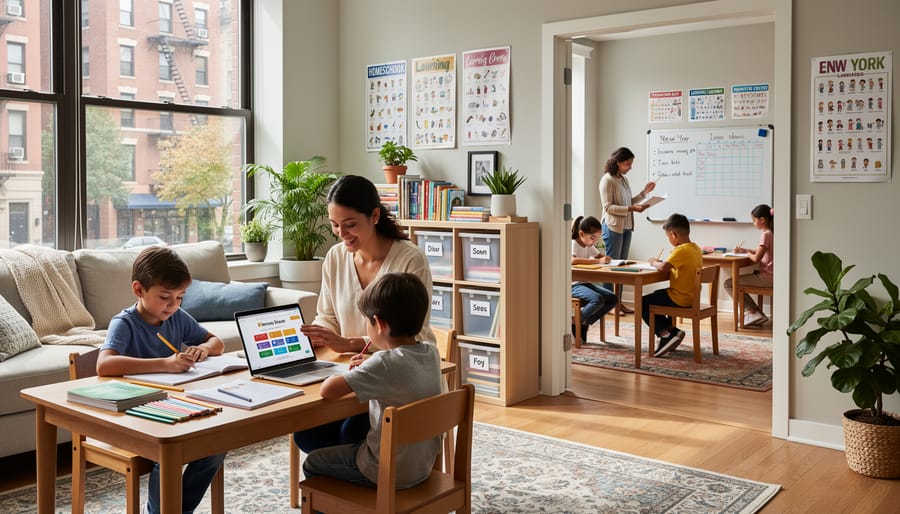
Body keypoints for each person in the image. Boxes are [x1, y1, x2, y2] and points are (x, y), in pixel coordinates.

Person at [295, 174, 435, 454]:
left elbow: (413, 333)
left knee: (344, 433)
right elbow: (328, 314)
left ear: (374, 215)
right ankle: (356, 482)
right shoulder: (335, 257)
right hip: (350, 368)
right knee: (306, 431)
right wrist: (320, 335)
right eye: (334, 225)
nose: (342, 234)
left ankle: (367, 481)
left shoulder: (408, 259)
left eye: (350, 225)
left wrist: (352, 343)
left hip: (397, 378)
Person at [96, 246, 226, 514]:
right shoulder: (125, 323)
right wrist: (165, 364)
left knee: (217, 444)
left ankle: (177, 509)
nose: (173, 304)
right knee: (169, 453)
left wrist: (203, 349)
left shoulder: (176, 317)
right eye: (165, 297)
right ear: (139, 290)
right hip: (132, 414)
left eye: (180, 297)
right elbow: (104, 364)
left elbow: (217, 342)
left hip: (171, 408)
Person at [302, 272, 442, 489]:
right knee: (348, 436)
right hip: (420, 466)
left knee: (313, 462)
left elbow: (328, 390)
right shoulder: (431, 352)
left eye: (366, 320)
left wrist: (367, 365)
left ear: (378, 323)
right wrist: (370, 362)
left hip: (383, 469)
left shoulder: (382, 365)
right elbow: (396, 370)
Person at [599, 147, 656, 314]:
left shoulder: (623, 180)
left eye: (631, 164)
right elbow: (608, 207)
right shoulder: (607, 180)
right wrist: (632, 208)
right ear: (617, 162)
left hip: (626, 226)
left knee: (622, 267)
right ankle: (609, 304)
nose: (630, 167)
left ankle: (618, 302)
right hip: (612, 227)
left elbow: (628, 201)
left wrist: (644, 193)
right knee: (612, 267)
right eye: (627, 164)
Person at [641, 214, 702, 358]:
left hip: (679, 297)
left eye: (668, 236)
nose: (669, 240)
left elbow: (663, 267)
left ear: (673, 234)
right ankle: (671, 330)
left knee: (642, 302)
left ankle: (666, 333)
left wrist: (653, 262)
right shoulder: (695, 248)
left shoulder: (681, 250)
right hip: (691, 296)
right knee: (656, 295)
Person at [726, 204, 774, 327]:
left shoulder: (765, 234)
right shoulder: (772, 233)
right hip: (772, 276)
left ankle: (752, 311)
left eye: (754, 220)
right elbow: (761, 252)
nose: (753, 223)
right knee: (733, 282)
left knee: (728, 283)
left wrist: (747, 253)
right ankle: (755, 312)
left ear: (762, 220)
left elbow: (757, 258)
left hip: (766, 277)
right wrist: (745, 251)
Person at [570, 215, 616, 342]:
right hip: (572, 285)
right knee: (597, 299)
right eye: (592, 238)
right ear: (581, 234)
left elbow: (599, 256)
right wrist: (597, 261)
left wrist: (609, 259)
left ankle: (584, 323)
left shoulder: (589, 245)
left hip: (584, 283)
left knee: (612, 298)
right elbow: (572, 260)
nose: (594, 241)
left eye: (596, 238)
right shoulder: (574, 243)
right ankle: (575, 321)